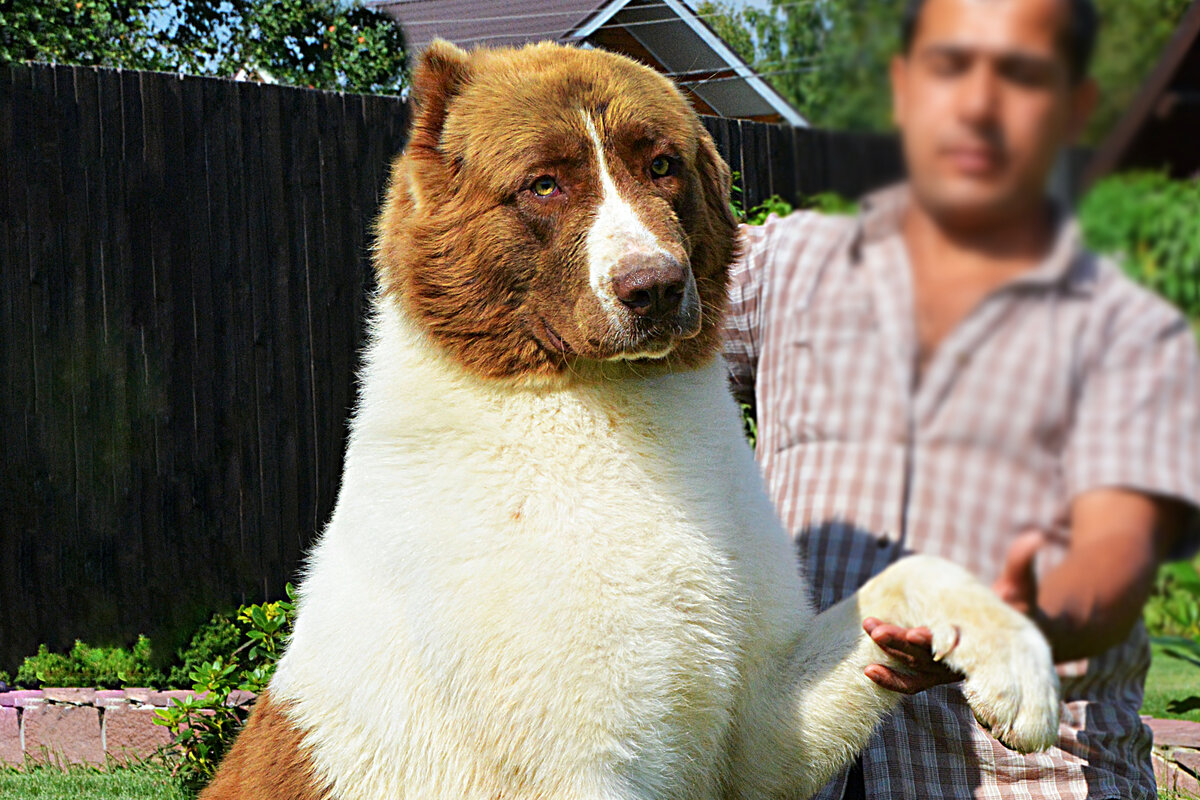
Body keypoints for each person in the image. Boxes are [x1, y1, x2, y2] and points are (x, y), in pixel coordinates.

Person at [722, 0, 1200, 797]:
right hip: (804, 767)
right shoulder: (781, 268)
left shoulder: (1131, 333)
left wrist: (1031, 617)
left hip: (1027, 778)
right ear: (904, 87)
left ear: (1075, 106)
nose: (979, 102)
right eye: (951, 66)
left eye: (1021, 73)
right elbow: (629, 348)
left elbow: (1116, 565)